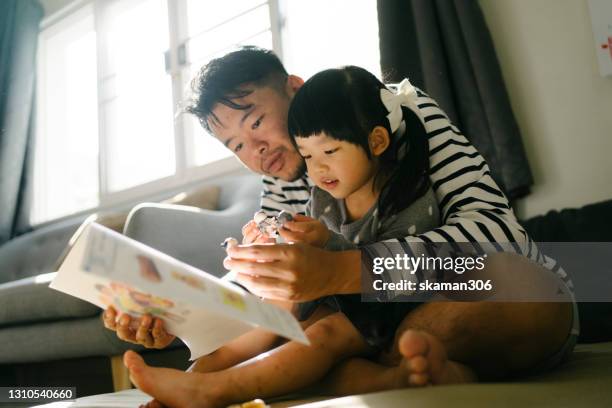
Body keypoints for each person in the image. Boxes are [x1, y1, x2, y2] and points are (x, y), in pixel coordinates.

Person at [104, 47, 577, 402]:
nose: (257, 152)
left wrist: (343, 270)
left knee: (516, 280)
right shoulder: (285, 180)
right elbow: (276, 303)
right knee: (305, 343)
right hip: (367, 334)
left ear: (294, 87)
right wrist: (179, 315)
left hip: (472, 307)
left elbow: (500, 237)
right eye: (236, 147)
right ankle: (421, 378)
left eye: (257, 123)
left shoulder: (396, 116)